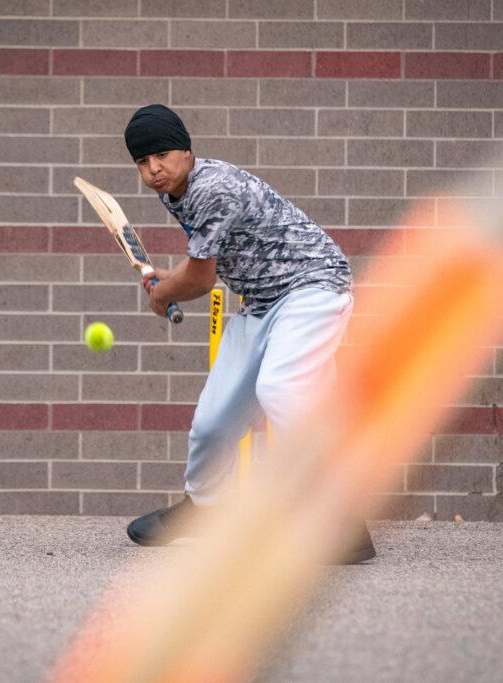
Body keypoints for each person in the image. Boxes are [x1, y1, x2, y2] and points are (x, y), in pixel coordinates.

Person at [121, 104, 375, 564]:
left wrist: (164, 294)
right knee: (215, 421)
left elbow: (199, 282)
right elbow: (204, 262)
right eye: (141, 161)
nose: (153, 169)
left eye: (160, 155)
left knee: (282, 389)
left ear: (186, 149)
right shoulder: (176, 190)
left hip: (312, 287)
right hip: (261, 302)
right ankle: (204, 509)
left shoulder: (213, 187)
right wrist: (170, 278)